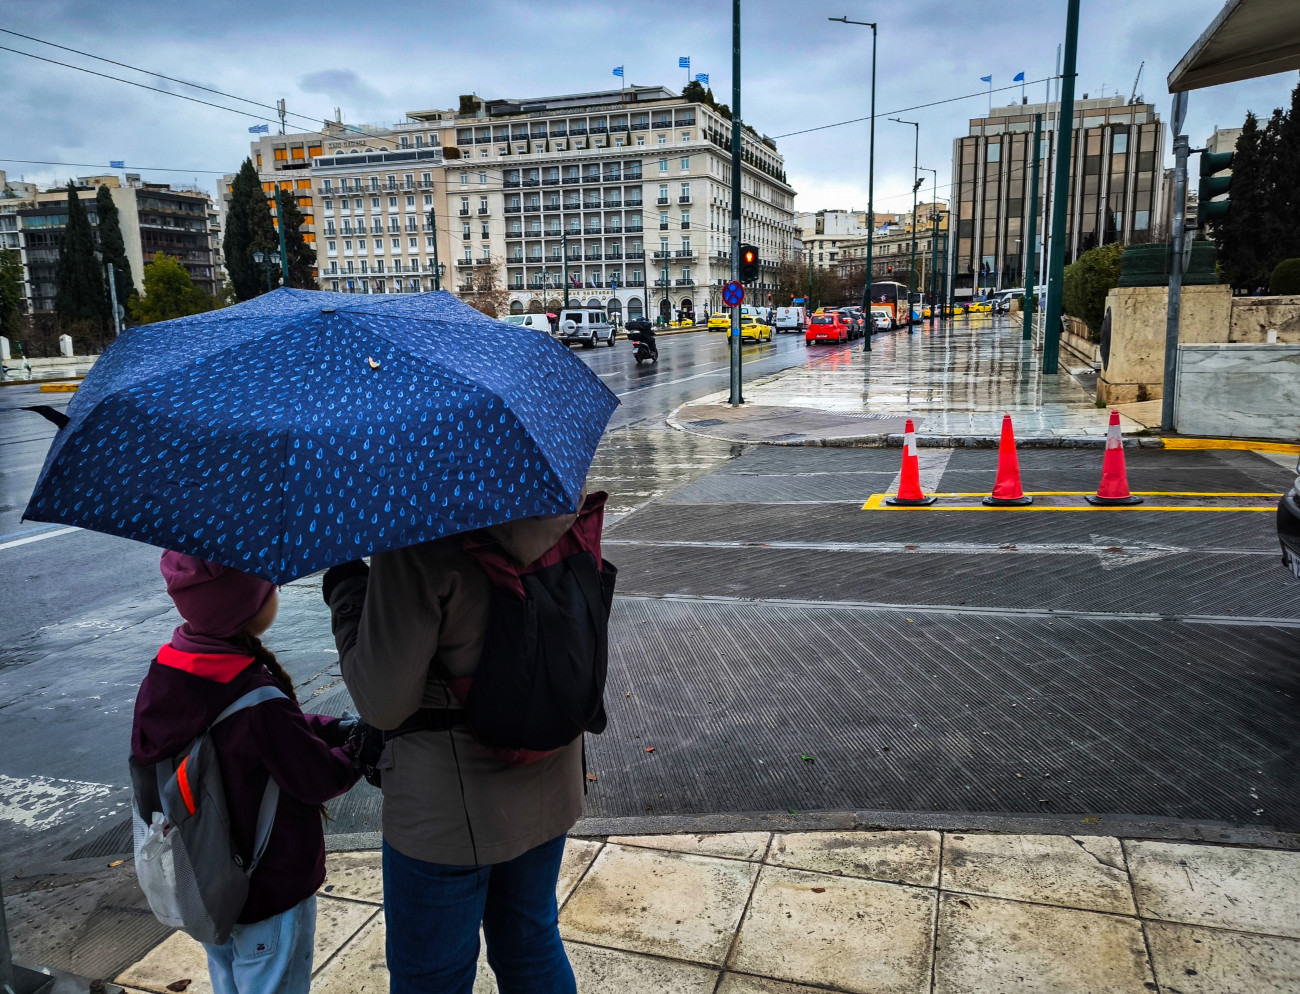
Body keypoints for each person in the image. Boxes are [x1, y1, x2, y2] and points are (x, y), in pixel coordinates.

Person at [323, 503, 592, 994]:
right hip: (549, 772)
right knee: (531, 941)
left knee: (431, 976)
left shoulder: (414, 528)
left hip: (446, 806)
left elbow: (383, 701)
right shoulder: (553, 499)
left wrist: (347, 592)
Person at [132, 553, 360, 994]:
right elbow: (315, 776)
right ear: (246, 606)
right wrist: (357, 750)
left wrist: (331, 728)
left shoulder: (168, 671)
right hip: (270, 889)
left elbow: (260, 736)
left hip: (207, 883)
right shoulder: (256, 698)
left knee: (228, 980)